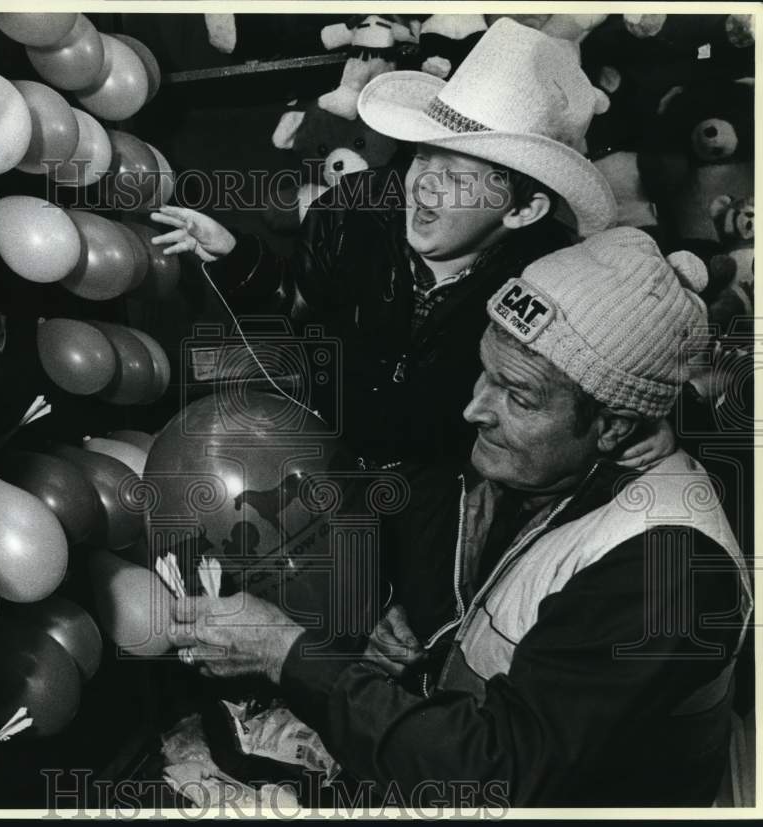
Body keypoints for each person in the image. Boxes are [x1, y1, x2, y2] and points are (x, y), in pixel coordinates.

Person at [166, 228, 754, 807]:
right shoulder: (536, 464)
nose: (476, 408)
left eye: (518, 397)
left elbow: (497, 774)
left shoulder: (668, 569)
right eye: (485, 372)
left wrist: (286, 653)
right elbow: (420, 525)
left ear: (615, 427)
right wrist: (370, 606)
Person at [151, 18, 619, 470]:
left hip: (454, 488)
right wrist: (237, 260)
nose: (424, 186)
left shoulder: (556, 283)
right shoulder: (349, 208)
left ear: (522, 210)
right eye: (423, 157)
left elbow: (571, 411)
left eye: (455, 176)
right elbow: (302, 308)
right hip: (338, 458)